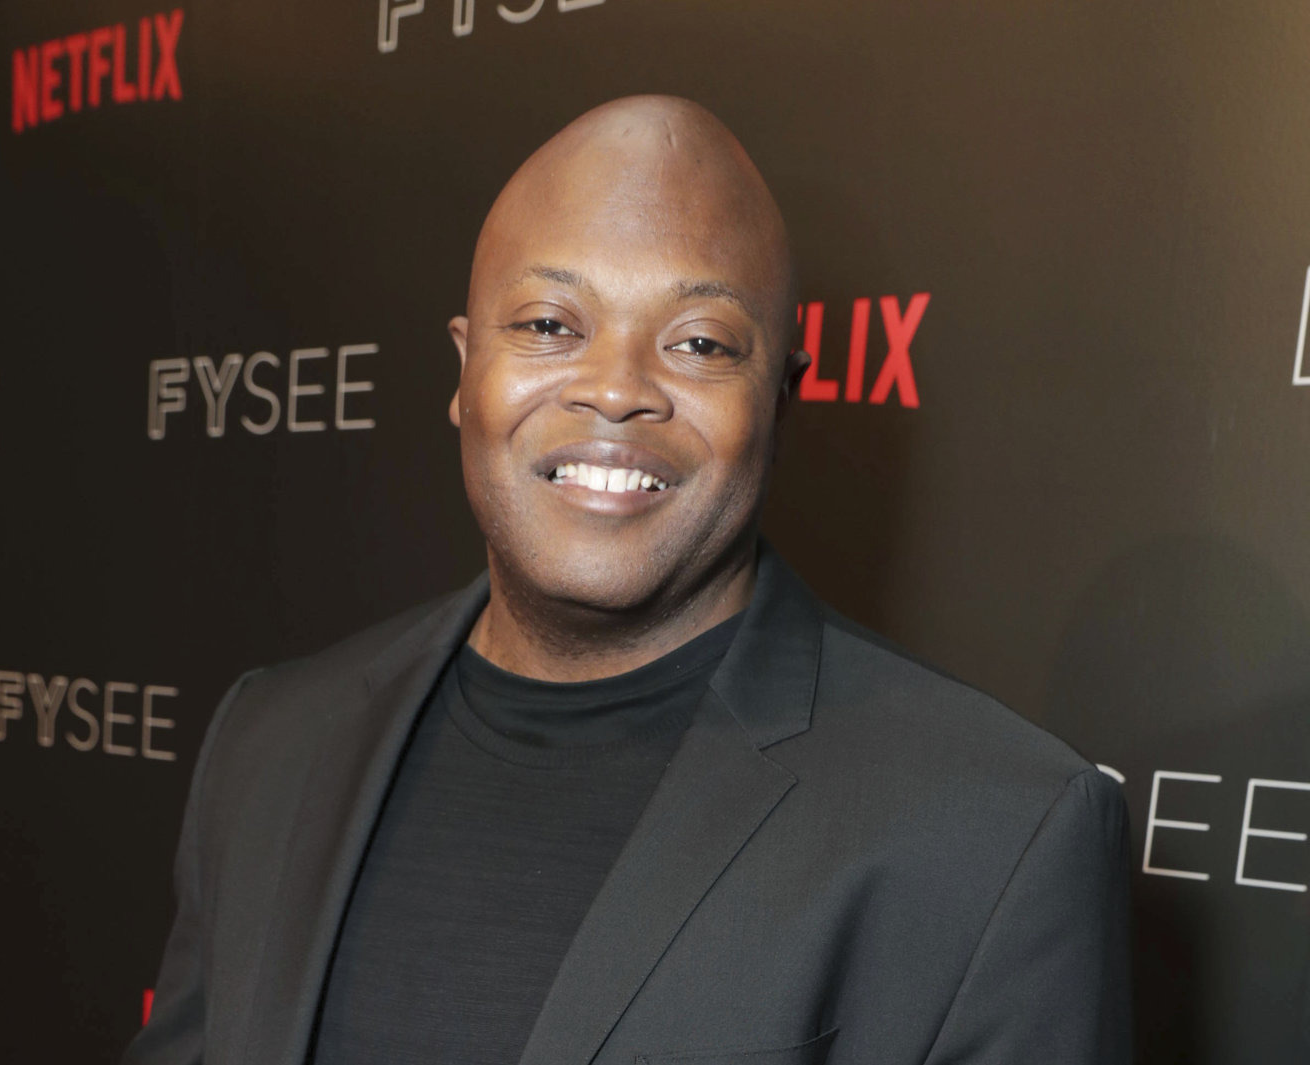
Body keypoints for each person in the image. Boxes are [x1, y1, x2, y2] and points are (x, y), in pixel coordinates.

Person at [125, 95, 1131, 1065]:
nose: (613, 388)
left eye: (699, 343)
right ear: (465, 371)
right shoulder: (270, 744)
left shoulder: (992, 835)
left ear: (779, 399)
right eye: (548, 326)